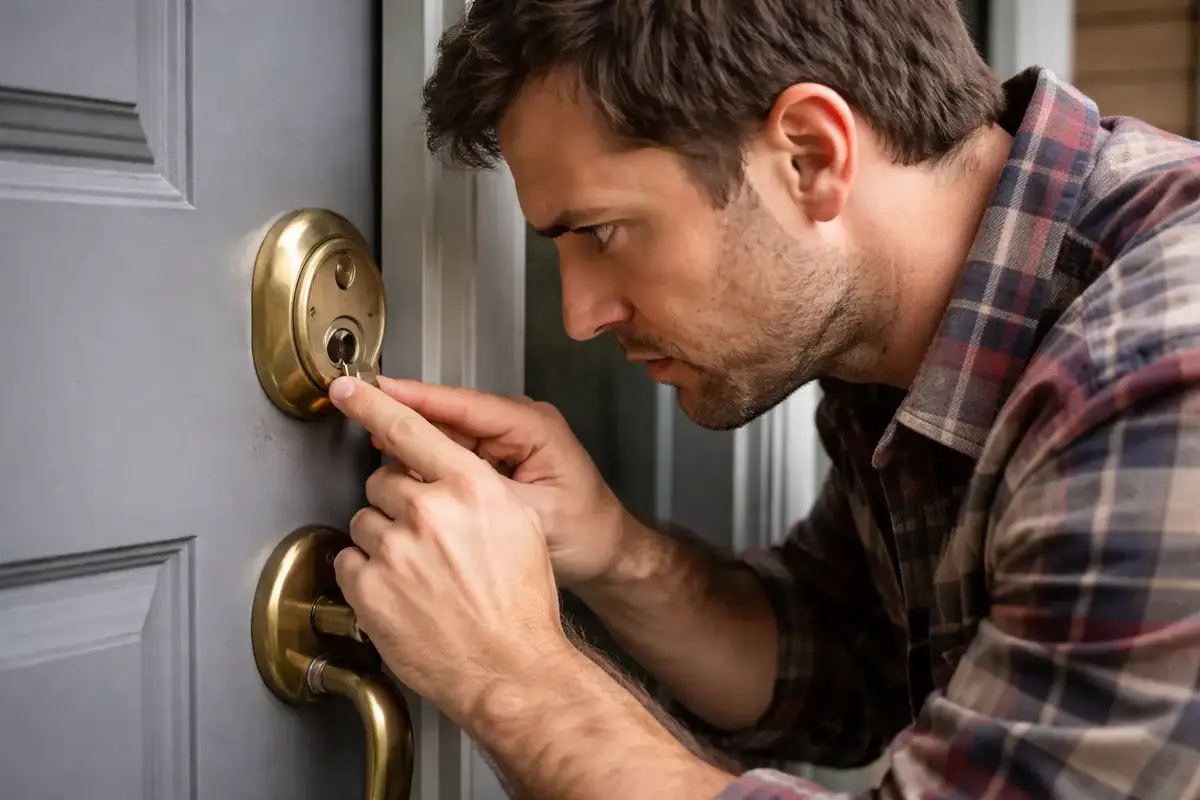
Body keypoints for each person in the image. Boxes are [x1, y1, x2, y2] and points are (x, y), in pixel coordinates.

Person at [326, 1, 1200, 797]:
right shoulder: (902, 351)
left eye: (601, 232)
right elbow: (844, 663)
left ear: (811, 156)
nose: (581, 315)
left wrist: (509, 673)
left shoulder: (1160, 373)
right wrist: (610, 549)